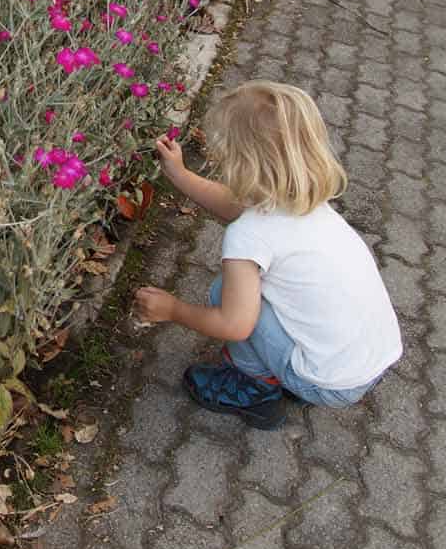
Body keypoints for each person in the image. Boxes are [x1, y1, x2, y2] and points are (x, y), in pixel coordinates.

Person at [133, 81, 402, 430]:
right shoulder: (306, 203)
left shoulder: (247, 237)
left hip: (329, 383)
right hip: (369, 360)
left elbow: (235, 325)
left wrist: (172, 309)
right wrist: (181, 176)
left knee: (223, 295)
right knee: (246, 296)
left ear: (241, 164)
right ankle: (289, 371)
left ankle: (255, 390)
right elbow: (237, 206)